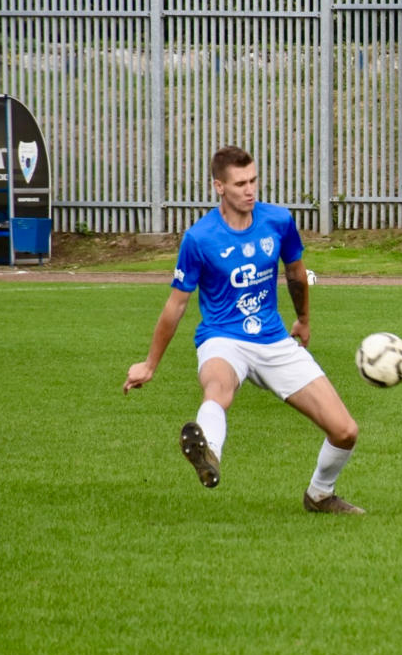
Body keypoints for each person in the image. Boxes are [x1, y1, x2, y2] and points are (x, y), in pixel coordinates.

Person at [122, 145, 364, 515]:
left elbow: (296, 272)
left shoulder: (278, 221)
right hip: (223, 338)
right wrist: (150, 364)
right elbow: (177, 304)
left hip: (273, 339)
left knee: (345, 430)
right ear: (219, 186)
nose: (250, 190)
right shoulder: (199, 238)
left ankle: (320, 495)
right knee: (218, 389)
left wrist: (303, 319)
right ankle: (209, 454)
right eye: (240, 184)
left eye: (253, 180)